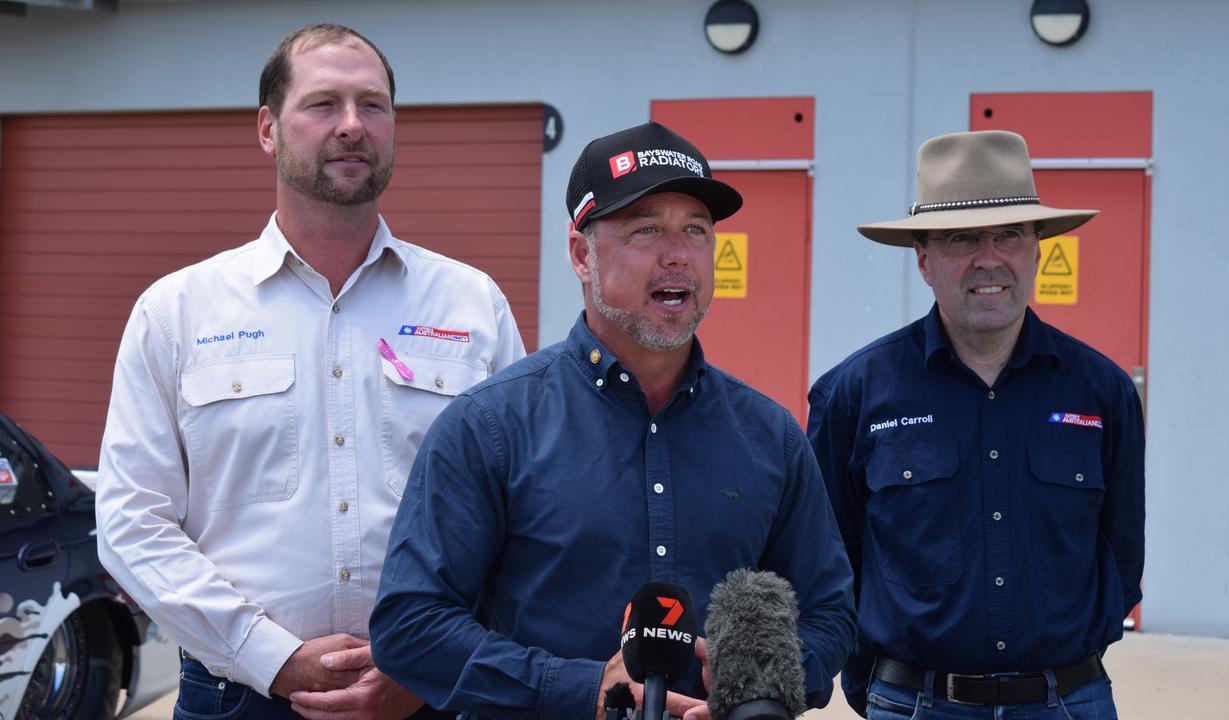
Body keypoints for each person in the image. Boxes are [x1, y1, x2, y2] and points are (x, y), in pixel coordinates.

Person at [94, 23, 524, 720]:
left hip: (431, 696)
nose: (353, 125)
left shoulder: (472, 304)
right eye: (323, 104)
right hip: (238, 696)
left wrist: (432, 662)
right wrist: (270, 657)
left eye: (373, 105)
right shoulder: (177, 312)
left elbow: (520, 513)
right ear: (268, 128)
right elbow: (129, 522)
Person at [367, 122, 855, 720]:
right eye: (646, 229)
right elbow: (410, 625)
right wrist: (579, 692)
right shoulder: (488, 427)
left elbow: (829, 609)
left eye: (697, 230)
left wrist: (762, 689)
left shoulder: (771, 437)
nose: (677, 254)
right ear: (581, 254)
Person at [807, 130, 1144, 719]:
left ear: (1037, 248)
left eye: (1010, 234)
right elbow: (827, 560)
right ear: (923, 257)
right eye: (962, 237)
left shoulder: (1102, 391)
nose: (989, 258)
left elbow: (1122, 555)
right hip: (915, 705)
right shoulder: (854, 395)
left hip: (1068, 703)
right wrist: (883, 686)